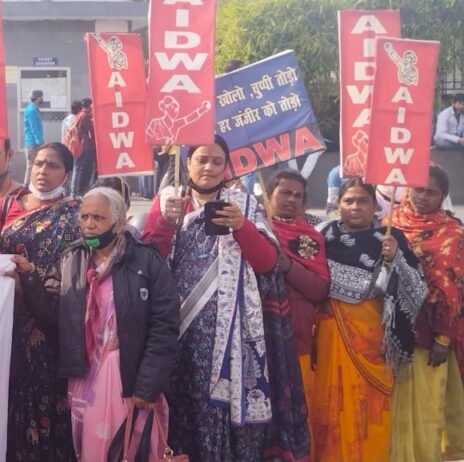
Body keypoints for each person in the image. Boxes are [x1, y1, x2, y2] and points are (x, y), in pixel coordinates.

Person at [142, 136, 309, 461]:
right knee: (175, 405)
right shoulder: (168, 200)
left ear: (226, 167)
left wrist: (241, 227)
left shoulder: (242, 204)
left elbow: (268, 264)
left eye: (216, 161)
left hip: (226, 334)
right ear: (188, 163)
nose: (208, 167)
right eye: (201, 159)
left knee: (214, 408)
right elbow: (147, 261)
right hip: (172, 328)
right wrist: (164, 223)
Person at [18, 187, 179, 461]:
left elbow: (164, 325)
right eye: (84, 217)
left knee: (128, 450)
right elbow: (53, 316)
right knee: (90, 450)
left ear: (119, 221)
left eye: (98, 218)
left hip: (128, 379)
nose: (89, 224)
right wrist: (31, 276)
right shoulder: (72, 259)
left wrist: (148, 384)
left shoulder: (146, 260)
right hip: (84, 378)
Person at [312, 178, 427, 462]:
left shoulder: (390, 237)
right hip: (330, 333)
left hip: (373, 340)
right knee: (329, 401)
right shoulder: (321, 235)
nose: (355, 207)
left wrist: (396, 258)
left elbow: (417, 288)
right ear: (338, 204)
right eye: (348, 201)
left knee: (371, 407)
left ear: (374, 204)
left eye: (362, 201)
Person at [0, 142, 79, 462]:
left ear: (67, 173)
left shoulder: (77, 212)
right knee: (9, 394)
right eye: (39, 163)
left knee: (51, 397)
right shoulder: (7, 205)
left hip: (54, 320)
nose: (43, 171)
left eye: (53, 166)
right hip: (9, 319)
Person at [389, 165, 464, 461]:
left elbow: (457, 290)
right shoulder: (388, 223)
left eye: (431, 192)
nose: (422, 196)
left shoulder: (454, 233)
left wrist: (444, 338)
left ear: (442, 196)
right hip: (391, 330)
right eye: (418, 189)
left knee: (427, 406)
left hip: (430, 333)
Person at [265, 169, 330, 441]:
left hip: (296, 341)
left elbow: (319, 289)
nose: (291, 200)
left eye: (298, 196)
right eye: (285, 193)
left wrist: (288, 266)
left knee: (296, 422)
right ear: (268, 195)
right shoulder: (252, 228)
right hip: (258, 342)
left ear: (304, 203)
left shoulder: (310, 237)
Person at [72, 98, 97, 196]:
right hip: (86, 146)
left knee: (79, 168)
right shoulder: (85, 116)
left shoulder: (79, 115)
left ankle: (77, 191)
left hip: (81, 146)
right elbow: (90, 130)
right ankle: (81, 191)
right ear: (89, 105)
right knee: (85, 169)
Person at [23, 90, 45, 185]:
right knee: (31, 166)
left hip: (33, 143)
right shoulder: (32, 110)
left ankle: (30, 185)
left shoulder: (33, 109)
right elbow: (34, 128)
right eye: (42, 97)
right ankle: (26, 186)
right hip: (32, 143)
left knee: (33, 165)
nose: (42, 99)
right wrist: (40, 142)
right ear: (38, 98)